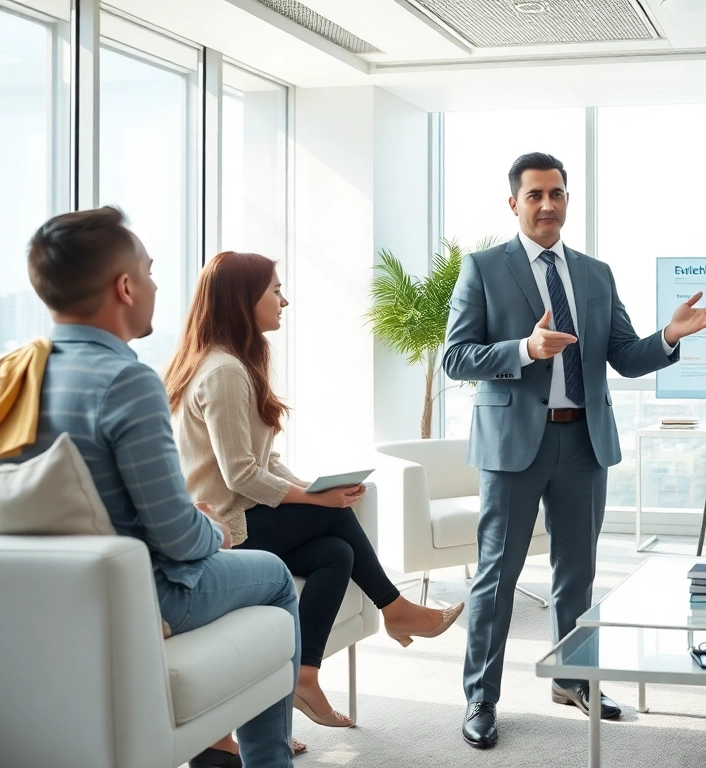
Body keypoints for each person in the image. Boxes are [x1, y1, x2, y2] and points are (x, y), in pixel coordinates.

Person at [443, 152, 706, 749]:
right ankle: (481, 697)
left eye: (557, 194)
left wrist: (672, 335)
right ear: (514, 203)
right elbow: (456, 357)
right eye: (534, 195)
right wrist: (523, 349)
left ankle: (573, 679)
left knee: (577, 574)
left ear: (568, 198)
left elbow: (624, 356)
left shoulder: (595, 273)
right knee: (497, 576)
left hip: (584, 440)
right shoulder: (483, 269)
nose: (547, 205)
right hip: (513, 445)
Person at [1, 208, 300, 768]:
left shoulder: (17, 370)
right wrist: (212, 527)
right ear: (125, 286)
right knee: (277, 576)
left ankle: (214, 752)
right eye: (152, 272)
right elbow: (178, 539)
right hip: (146, 593)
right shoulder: (126, 380)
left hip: (43, 596)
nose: (158, 286)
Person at [164, 251, 463, 740]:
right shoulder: (223, 372)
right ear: (244, 301)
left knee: (335, 552)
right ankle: (396, 608)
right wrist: (317, 502)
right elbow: (240, 475)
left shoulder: (236, 363)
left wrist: (314, 489)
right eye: (275, 291)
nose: (285, 301)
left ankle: (304, 676)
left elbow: (264, 461)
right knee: (335, 521)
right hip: (225, 529)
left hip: (243, 513)